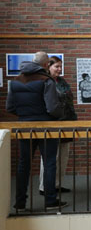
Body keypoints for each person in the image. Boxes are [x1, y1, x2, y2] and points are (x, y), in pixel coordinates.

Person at [7, 51, 67, 210]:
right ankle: (50, 201)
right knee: (49, 164)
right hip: (46, 128)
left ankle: (20, 203)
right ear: (46, 64)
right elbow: (52, 107)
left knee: (23, 165)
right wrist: (61, 112)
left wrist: (25, 115)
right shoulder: (46, 81)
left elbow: (10, 107)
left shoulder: (15, 81)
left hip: (24, 128)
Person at [39, 56, 78, 196]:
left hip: (66, 123)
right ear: (48, 66)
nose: (59, 69)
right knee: (50, 157)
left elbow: (69, 102)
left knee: (63, 156)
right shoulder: (44, 81)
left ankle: (56, 184)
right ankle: (44, 186)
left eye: (61, 67)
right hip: (51, 124)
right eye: (56, 67)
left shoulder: (62, 81)